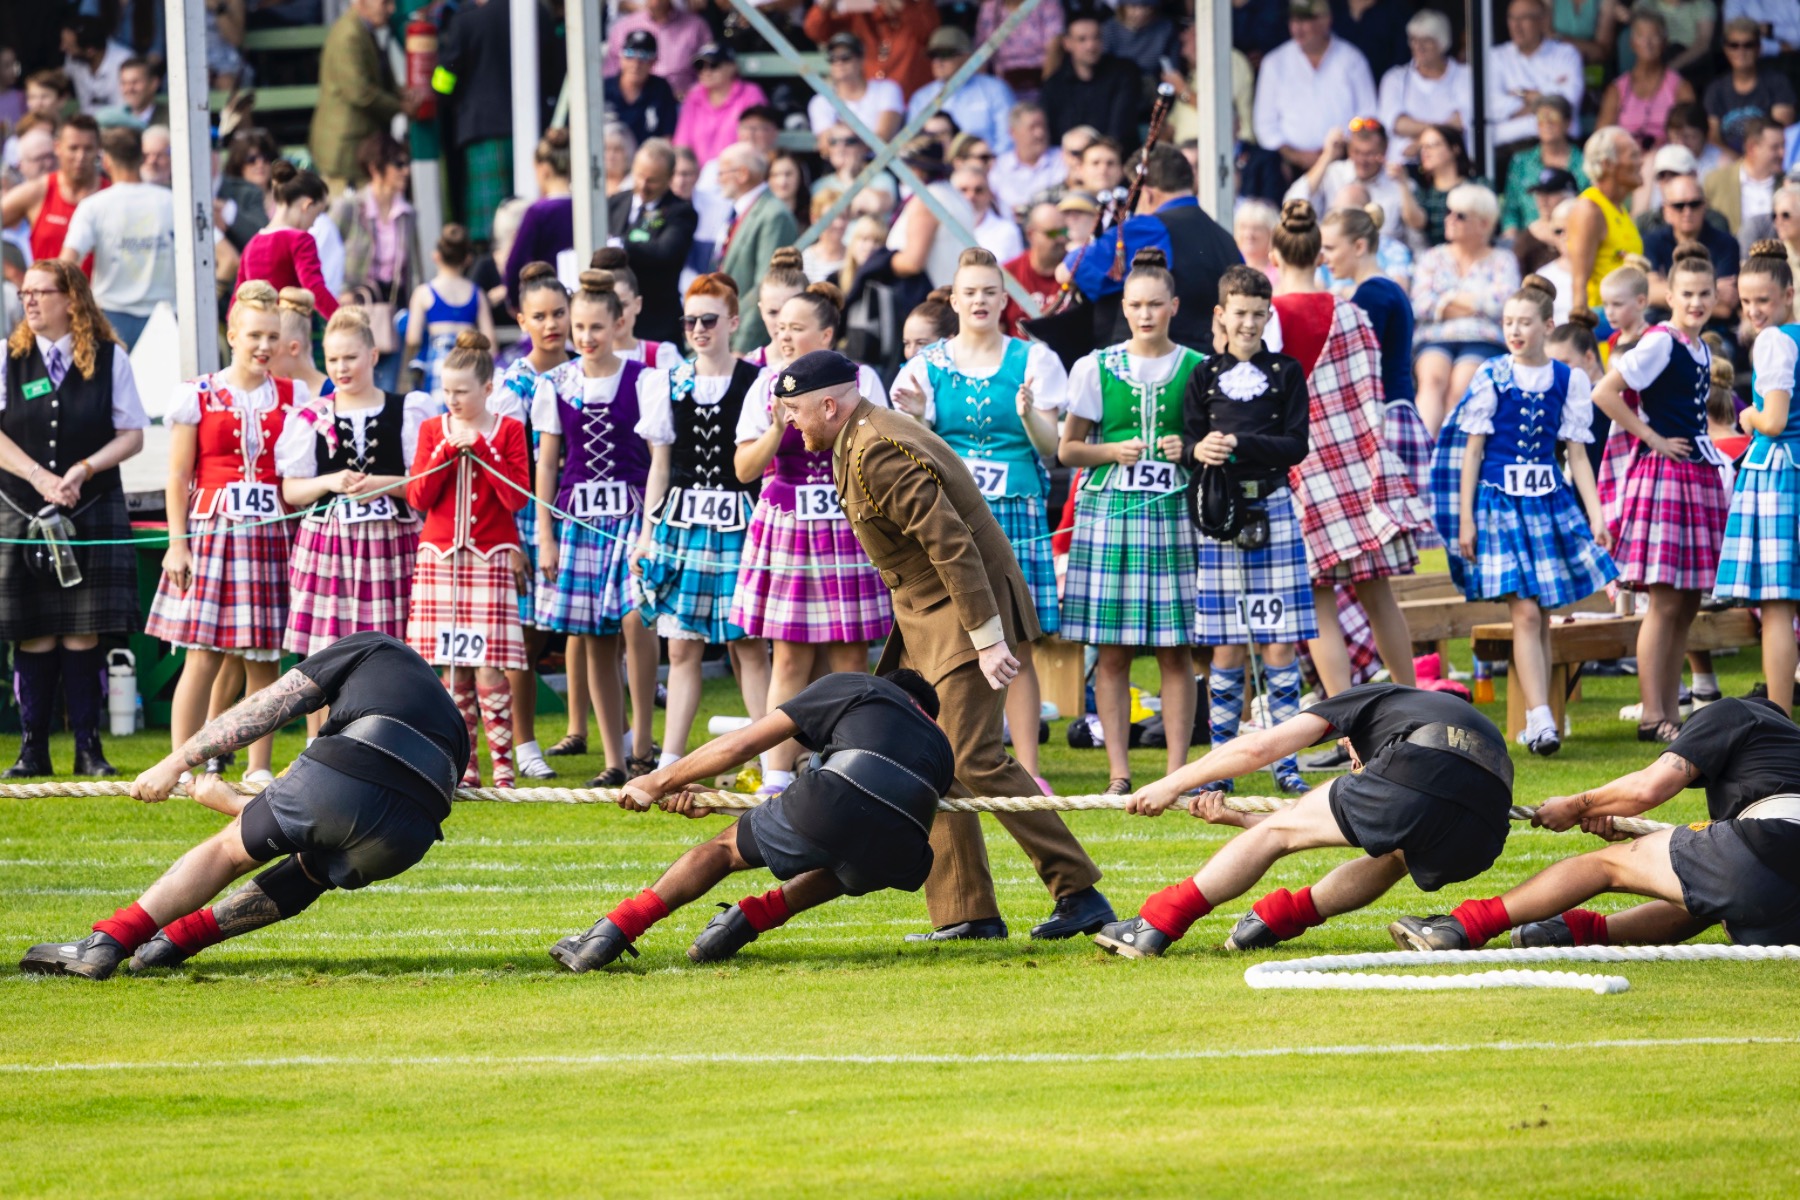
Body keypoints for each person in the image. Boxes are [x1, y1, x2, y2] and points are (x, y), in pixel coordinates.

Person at [744, 349, 1103, 945]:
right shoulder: (857, 437)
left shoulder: (877, 447)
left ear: (829, 405)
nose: (790, 423)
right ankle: (967, 913)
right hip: (932, 619)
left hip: (964, 618)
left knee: (972, 761)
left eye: (795, 411)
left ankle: (1079, 894)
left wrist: (988, 640)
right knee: (926, 759)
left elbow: (951, 543)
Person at [18, 630, 468, 980]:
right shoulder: (443, 711)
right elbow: (349, 808)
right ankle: (172, 943)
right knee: (312, 870)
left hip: (353, 771)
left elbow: (269, 706)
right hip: (409, 836)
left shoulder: (367, 646)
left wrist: (176, 764)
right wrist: (244, 806)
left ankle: (107, 943)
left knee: (229, 851)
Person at [550, 669, 956, 970]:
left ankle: (606, 936)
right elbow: (866, 807)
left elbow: (745, 744)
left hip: (837, 799)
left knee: (723, 850)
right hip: (903, 847)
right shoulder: (941, 746)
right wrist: (720, 801)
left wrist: (658, 780)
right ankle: (737, 926)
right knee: (848, 862)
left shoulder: (860, 686)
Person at [1093, 683, 1513, 957]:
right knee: (1396, 855)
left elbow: (1261, 749)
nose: (1356, 766)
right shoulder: (1417, 709)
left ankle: (1154, 925)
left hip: (1423, 764)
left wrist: (1173, 783)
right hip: (1487, 826)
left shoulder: (1362, 702)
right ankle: (1275, 921)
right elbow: (1308, 825)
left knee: (1279, 831)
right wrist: (1238, 818)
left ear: (1344, 735)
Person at [1391, 695, 1800, 954]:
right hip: (1784, 911)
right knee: (1706, 898)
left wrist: (1576, 804)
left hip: (1767, 845)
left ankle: (1461, 926)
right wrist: (1640, 832)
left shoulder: (1734, 713)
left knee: (1606, 864)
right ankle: (1574, 932)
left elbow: (1649, 788)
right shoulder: (1781, 755)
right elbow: (1725, 866)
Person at [890, 248, 1067, 791]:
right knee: (950, 641)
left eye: (990, 291)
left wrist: (1029, 417)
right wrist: (916, 416)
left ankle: (1030, 771)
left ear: (1003, 297)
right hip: (951, 518)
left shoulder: (1034, 360)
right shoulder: (926, 366)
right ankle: (947, 763)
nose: (980, 301)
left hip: (1015, 510)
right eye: (970, 292)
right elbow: (907, 448)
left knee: (1014, 643)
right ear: (955, 297)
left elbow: (1052, 449)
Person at [730, 281, 893, 798]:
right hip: (787, 523)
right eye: (779, 327)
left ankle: (850, 766)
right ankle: (777, 774)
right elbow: (743, 469)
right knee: (789, 656)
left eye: (796, 328)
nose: (784, 336)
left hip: (847, 521)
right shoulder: (763, 386)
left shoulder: (861, 380)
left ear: (826, 333)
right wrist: (777, 428)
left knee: (850, 653)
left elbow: (880, 449)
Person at [1444, 276, 1616, 755]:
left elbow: (1578, 455)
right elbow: (1472, 451)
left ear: (1548, 325)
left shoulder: (1568, 380)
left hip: (1547, 500)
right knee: (1523, 609)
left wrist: (1597, 516)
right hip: (1499, 502)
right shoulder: (1492, 375)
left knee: (1539, 613)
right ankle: (1540, 718)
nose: (1514, 331)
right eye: (1508, 323)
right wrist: (1465, 519)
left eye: (1524, 322)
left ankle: (1541, 719)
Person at [145, 281, 302, 787]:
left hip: (270, 536)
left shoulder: (293, 395)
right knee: (202, 654)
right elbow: (177, 475)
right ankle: (181, 764)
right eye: (254, 333)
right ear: (231, 332)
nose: (263, 346)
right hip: (212, 532)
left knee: (265, 659)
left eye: (272, 336)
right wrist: (176, 542)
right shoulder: (198, 393)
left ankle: (259, 767)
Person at [1057, 249, 1201, 797]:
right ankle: (1119, 772)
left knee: (1175, 649)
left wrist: (1185, 448)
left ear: (1173, 307)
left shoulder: (1195, 366)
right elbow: (1069, 450)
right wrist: (1111, 449)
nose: (1145, 314)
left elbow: (1209, 448)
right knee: (1111, 651)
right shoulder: (1094, 367)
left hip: (1172, 514)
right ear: (1125, 307)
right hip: (1109, 513)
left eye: (1155, 305)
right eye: (1136, 305)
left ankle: (1177, 771)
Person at [1273, 200, 1432, 693]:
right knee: (1378, 592)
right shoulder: (1351, 313)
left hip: (1299, 468)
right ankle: (1412, 702)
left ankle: (1345, 722)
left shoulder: (1269, 315)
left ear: (1277, 258)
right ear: (1318, 254)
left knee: (1318, 599)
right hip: (1354, 466)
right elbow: (1370, 395)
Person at [0, 259, 147, 779]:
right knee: (33, 631)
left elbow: (132, 433)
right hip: (21, 507)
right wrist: (40, 476)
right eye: (25, 295)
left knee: (83, 632)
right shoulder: (6, 358)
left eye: (41, 292)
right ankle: (32, 750)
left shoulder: (110, 359)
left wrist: (85, 468)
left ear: (72, 299)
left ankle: (89, 749)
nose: (31, 302)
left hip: (90, 503)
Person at [1183, 265, 1316, 796]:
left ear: (1269, 315)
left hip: (1274, 510)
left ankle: (1285, 764)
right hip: (1223, 519)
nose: (1248, 323)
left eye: (1258, 314)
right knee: (1226, 649)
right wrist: (1202, 449)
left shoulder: (1286, 372)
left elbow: (1295, 445)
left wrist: (1238, 444)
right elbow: (1191, 440)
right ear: (1221, 314)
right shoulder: (1203, 376)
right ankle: (1222, 765)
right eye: (1239, 313)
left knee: (1279, 646)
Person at [1590, 245, 1731, 743]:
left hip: (1693, 475)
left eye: (1704, 293)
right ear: (1667, 295)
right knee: (1665, 603)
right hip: (1666, 476)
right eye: (1686, 293)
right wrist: (1650, 437)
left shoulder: (1700, 347)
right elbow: (1604, 392)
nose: (1696, 302)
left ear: (1716, 296)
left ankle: (1670, 707)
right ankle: (1654, 713)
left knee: (1687, 603)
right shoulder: (1660, 342)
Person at [632, 274, 771, 766]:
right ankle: (670, 758)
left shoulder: (758, 381)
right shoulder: (666, 381)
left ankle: (768, 760)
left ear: (733, 322)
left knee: (750, 645)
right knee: (682, 646)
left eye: (708, 319)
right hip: (684, 521)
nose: (697, 329)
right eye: (690, 320)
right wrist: (647, 534)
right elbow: (660, 466)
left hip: (742, 521)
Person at [534, 271, 659, 786]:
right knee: (592, 635)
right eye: (579, 326)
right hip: (579, 519)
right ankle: (613, 759)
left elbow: (656, 458)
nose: (585, 337)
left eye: (596, 326)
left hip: (629, 515)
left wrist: (652, 524)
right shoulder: (556, 384)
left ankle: (644, 740)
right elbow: (546, 463)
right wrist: (545, 533)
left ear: (618, 323)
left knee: (636, 617)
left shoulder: (642, 378)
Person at [277, 306, 429, 714]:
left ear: (373, 356)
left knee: (395, 646)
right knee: (324, 652)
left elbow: (423, 484)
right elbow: (292, 490)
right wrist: (329, 481)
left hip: (390, 541)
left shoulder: (408, 409)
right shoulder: (311, 415)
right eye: (333, 359)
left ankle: (391, 729)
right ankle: (319, 746)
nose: (341, 368)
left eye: (350, 357)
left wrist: (380, 484)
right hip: (330, 543)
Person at [405, 331, 531, 786]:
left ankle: (502, 766)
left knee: (488, 663)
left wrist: (482, 448)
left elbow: (517, 499)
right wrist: (443, 451)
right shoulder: (431, 429)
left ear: (488, 389)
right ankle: (464, 765)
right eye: (447, 390)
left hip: (490, 556)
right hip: (440, 556)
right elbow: (418, 495)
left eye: (462, 391)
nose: (452, 399)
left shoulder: (510, 430)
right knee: (449, 663)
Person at [1714, 241, 1800, 713]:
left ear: (1788, 294)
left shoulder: (1773, 341)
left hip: (1778, 473)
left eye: (1763, 300)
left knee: (1778, 607)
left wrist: (1748, 417)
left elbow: (1774, 421)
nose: (1753, 310)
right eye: (1746, 302)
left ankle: (1780, 718)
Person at [494, 265, 569, 774]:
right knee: (526, 631)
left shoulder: (585, 368)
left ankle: (598, 732)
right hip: (526, 515)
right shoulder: (514, 383)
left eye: (559, 313)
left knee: (584, 630)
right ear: (522, 320)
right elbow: (502, 462)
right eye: (539, 316)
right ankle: (523, 743)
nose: (551, 324)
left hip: (579, 509)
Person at [1065, 145, 1242, 355]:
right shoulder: (1225, 239)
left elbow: (1070, 268)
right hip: (1213, 368)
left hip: (1157, 369)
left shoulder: (1150, 227)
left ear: (1147, 194)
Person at [1325, 204, 1431, 499]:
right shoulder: (1385, 289)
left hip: (1385, 418)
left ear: (1359, 246)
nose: (1325, 258)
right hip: (1393, 411)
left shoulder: (1373, 294)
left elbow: (1359, 367)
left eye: (1331, 248)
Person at [1411, 184, 1522, 433]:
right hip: (1434, 338)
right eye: (1449, 212)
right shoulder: (1432, 257)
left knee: (1461, 387)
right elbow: (1420, 304)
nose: (1449, 219)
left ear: (1484, 223)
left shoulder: (1503, 259)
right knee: (1432, 381)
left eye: (1460, 215)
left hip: (1484, 339)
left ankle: (1453, 460)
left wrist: (1447, 301)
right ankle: (1424, 455)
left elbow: (1505, 305)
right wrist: (1476, 303)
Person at [57, 126, 172, 349]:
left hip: (110, 319)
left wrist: (78, 310)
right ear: (141, 158)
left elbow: (66, 266)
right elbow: (226, 259)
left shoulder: (93, 206)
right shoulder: (171, 201)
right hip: (165, 318)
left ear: (106, 161)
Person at [1252, 0, 1378, 177]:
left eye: (1305, 21)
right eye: (1294, 21)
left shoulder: (1352, 60)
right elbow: (1265, 125)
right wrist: (1296, 155)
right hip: (1287, 167)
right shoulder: (1274, 63)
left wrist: (1341, 148)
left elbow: (1368, 114)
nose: (1298, 28)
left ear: (1325, 20)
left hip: (1344, 163)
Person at [309, 0, 420, 195]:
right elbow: (360, 92)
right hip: (345, 151)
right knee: (347, 215)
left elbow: (374, 79)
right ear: (360, 2)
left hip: (355, 146)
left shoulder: (362, 30)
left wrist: (399, 93)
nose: (392, 9)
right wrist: (402, 106)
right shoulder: (349, 35)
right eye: (384, 2)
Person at [437, 0, 519, 244]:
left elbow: (446, 75)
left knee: (487, 228)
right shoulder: (536, 13)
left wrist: (437, 93)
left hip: (482, 129)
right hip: (528, 130)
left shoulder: (466, 22)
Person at [605, 139, 697, 347]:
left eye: (653, 180)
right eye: (639, 176)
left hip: (657, 323)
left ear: (669, 178)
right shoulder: (615, 202)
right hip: (614, 320)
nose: (644, 186)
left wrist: (620, 245)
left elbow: (665, 252)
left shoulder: (680, 212)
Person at [718, 147, 800, 354]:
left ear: (742, 174)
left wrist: (742, 347)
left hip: (749, 346)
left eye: (722, 173)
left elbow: (765, 287)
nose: (718, 180)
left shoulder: (773, 215)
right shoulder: (744, 211)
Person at [402, 224, 494, 404]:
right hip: (468, 358)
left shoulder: (424, 293)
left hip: (437, 361)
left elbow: (413, 338)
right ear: (467, 259)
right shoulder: (477, 293)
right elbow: (490, 341)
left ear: (436, 256)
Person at [237, 163, 339, 319]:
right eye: (317, 215)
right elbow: (314, 288)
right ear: (307, 205)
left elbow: (238, 299)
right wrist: (344, 320)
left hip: (261, 332)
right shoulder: (300, 240)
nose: (313, 224)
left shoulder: (252, 244)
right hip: (291, 330)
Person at [2, 114, 105, 269]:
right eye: (73, 148)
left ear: (99, 150)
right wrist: (11, 273)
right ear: (58, 148)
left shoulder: (112, 194)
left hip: (99, 293)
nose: (80, 156)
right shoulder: (38, 191)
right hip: (48, 291)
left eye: (88, 148)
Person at [1486, 0, 1587, 157]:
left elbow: (1567, 102)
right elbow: (1490, 108)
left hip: (1560, 145)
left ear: (1542, 21)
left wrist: (1519, 95)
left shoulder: (1566, 54)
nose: (1516, 26)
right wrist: (1545, 95)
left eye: (1524, 18)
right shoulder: (1495, 57)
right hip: (1508, 148)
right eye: (1512, 18)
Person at [1286, 118, 1409, 243]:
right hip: (1333, 255)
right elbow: (1293, 203)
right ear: (1348, 149)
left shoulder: (1398, 182)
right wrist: (1327, 155)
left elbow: (1416, 237)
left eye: (1369, 153)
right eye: (1357, 152)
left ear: (1384, 150)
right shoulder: (1333, 173)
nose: (1362, 160)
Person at [1377, 9, 1474, 164]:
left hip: (1452, 165)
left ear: (1442, 42)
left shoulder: (1465, 75)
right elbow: (1396, 124)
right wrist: (1439, 134)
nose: (1418, 47)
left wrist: (1419, 143)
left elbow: (1462, 121)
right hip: (1405, 165)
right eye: (1414, 40)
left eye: (1426, 40)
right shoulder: (1394, 78)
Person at [1645, 174, 1741, 320]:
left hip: (1715, 330)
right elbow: (1649, 293)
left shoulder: (1726, 243)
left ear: (1705, 206)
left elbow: (1725, 308)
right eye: (1679, 206)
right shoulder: (1652, 241)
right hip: (1661, 324)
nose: (1687, 212)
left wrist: (1666, 290)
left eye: (1694, 204)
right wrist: (1709, 291)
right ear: (1666, 211)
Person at [908, 27, 1017, 155]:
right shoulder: (921, 97)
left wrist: (985, 163)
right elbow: (913, 145)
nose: (938, 62)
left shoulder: (995, 90)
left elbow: (1008, 142)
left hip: (989, 168)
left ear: (966, 57)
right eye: (933, 55)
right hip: (937, 171)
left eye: (945, 54)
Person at [1598, 10, 1695, 152]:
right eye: (1641, 36)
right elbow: (1601, 137)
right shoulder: (1617, 90)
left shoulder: (1681, 88)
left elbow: (1690, 135)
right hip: (1625, 161)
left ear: (1664, 42)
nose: (1648, 43)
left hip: (1666, 161)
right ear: (1632, 43)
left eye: (1654, 37)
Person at [802, 0, 940, 99]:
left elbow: (929, 31)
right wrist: (826, 3)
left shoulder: (920, 9)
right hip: (870, 110)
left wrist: (901, 5)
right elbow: (816, 31)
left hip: (912, 109)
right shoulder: (859, 15)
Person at [1039, 14, 1140, 149]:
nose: (1091, 45)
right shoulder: (1054, 85)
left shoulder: (1124, 73)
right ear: (1067, 43)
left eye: (1096, 37)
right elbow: (1052, 134)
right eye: (1082, 39)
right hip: (1069, 161)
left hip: (1114, 158)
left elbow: (1120, 131)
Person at [1498, 98, 1590, 238]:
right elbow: (1511, 209)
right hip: (1530, 239)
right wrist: (1512, 237)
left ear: (1568, 123)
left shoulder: (1585, 163)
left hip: (1572, 237)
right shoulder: (1520, 162)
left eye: (1553, 118)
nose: (1547, 124)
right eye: (1541, 119)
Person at [504, 131, 574, 312]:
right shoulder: (586, 207)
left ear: (543, 170)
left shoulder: (538, 212)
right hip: (584, 301)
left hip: (548, 303)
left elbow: (516, 263)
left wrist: (514, 301)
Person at [1706, 16, 1798, 154]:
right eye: (1734, 45)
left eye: (1748, 45)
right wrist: (1738, 164)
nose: (1741, 51)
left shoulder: (1778, 83)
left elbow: (1781, 131)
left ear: (1759, 48)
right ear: (1725, 49)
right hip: (1730, 162)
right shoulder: (1715, 89)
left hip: (1770, 157)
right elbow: (1713, 137)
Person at [673, 43, 766, 169]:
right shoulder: (693, 96)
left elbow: (757, 142)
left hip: (739, 173)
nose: (706, 71)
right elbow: (682, 144)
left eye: (713, 65)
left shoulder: (750, 94)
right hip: (698, 178)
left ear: (732, 67)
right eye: (700, 66)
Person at [807, 33, 905, 146]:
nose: (839, 63)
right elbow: (826, 147)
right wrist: (854, 139)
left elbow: (883, 139)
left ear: (861, 60)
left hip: (882, 162)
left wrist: (845, 135)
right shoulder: (820, 101)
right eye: (833, 58)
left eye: (846, 57)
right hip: (840, 162)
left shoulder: (887, 89)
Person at [1397, 124, 1481, 249]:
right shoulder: (1424, 191)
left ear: (1455, 149)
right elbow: (1416, 222)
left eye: (1432, 145)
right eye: (1422, 147)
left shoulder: (1477, 185)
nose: (1425, 152)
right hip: (1438, 261)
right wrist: (1402, 182)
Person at [1704, 116, 1785, 246]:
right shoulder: (1716, 181)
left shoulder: (1789, 185)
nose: (1783, 153)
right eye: (1775, 147)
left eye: (1783, 146)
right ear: (1752, 148)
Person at [975, 0, 1066, 98]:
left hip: (1040, 80)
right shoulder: (990, 8)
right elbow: (981, 54)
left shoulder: (1047, 3)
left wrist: (1047, 90)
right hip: (1003, 85)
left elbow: (1054, 47)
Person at [990, 103, 1065, 220]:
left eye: (1043, 126)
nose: (1040, 133)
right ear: (1013, 132)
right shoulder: (999, 167)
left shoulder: (1062, 159)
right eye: (1032, 127)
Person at [1001, 202, 1066, 336]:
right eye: (1052, 233)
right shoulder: (1008, 274)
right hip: (1019, 354)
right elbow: (997, 326)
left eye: (1063, 231)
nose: (1060, 239)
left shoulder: (1076, 270)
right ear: (1031, 234)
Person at [606, 30, 678, 145]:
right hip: (607, 158)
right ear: (621, 57)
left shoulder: (661, 89)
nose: (636, 64)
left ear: (654, 61)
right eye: (630, 54)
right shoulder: (603, 89)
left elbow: (667, 137)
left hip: (648, 160)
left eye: (644, 57)